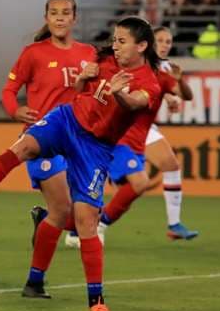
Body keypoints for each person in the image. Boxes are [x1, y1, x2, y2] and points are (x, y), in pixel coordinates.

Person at [0, 16, 162, 311]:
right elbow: (82, 89)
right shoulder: (103, 58)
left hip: (96, 148)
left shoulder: (149, 81)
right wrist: (82, 79)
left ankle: (97, 301)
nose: (114, 46)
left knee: (85, 221)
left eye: (121, 41)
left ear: (141, 45)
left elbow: (131, 105)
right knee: (21, 148)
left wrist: (118, 92)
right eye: (114, 40)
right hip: (67, 120)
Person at [67, 27, 196, 246]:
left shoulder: (163, 74)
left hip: (139, 136)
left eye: (168, 41)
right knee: (137, 183)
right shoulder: (128, 67)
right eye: (161, 40)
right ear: (145, 45)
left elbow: (186, 95)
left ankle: (77, 227)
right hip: (120, 135)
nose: (165, 44)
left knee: (104, 185)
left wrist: (180, 81)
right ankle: (96, 224)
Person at [1, 0, 96, 251]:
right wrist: (15, 110)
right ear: (47, 18)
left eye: (65, 13)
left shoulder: (89, 54)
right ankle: (35, 278)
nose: (60, 18)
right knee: (65, 209)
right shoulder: (33, 54)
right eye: (54, 13)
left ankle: (44, 224)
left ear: (74, 18)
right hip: (42, 139)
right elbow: (9, 90)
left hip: (76, 141)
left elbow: (93, 97)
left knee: (79, 214)